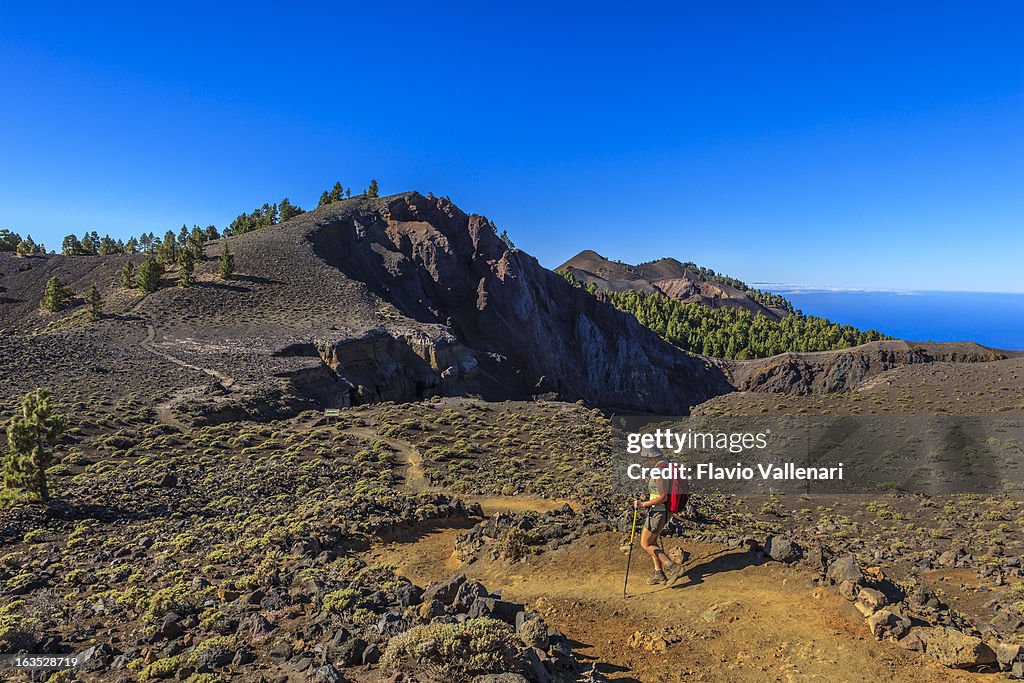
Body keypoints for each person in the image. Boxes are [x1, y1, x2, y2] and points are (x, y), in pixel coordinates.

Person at [634, 449, 688, 585]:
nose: (646, 460)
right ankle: (659, 574)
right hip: (664, 511)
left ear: (650, 457)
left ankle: (673, 567)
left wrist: (643, 504)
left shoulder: (659, 470)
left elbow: (663, 497)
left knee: (645, 544)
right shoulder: (667, 464)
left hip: (658, 512)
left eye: (646, 457)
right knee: (653, 542)